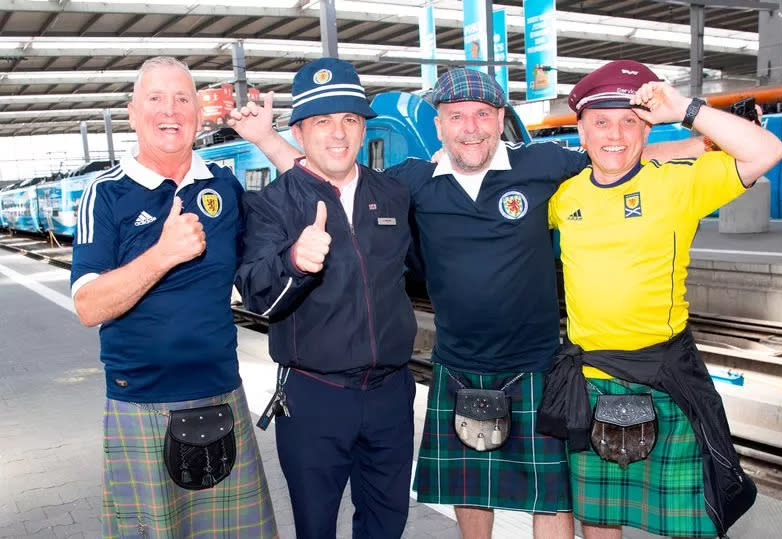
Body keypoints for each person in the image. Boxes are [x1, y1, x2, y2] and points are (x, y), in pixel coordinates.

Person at [228, 66, 700, 539]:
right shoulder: (410, 180)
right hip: (454, 365)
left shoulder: (539, 165)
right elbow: (328, 170)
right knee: (464, 495)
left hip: (536, 364)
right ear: (438, 125)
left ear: (499, 119)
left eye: (481, 115)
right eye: (456, 116)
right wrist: (267, 142)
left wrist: (694, 140)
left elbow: (612, 159)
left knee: (546, 495)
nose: (469, 128)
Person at [538, 60, 782, 539]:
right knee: (599, 519)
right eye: (601, 122)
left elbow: (767, 149)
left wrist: (685, 109)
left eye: (630, 121)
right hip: (590, 380)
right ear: (581, 134)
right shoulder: (562, 197)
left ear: (646, 130)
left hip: (665, 375)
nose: (615, 134)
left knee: (688, 524)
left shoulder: (678, 183)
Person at [70, 56, 277, 538]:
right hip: (139, 405)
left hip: (221, 392)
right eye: (156, 98)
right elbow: (87, 306)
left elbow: (269, 255)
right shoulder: (104, 194)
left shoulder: (223, 185)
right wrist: (162, 255)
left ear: (199, 114)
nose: (171, 110)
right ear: (132, 112)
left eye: (183, 98)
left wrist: (267, 140)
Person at [233, 57, 418, 539]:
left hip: (390, 396)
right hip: (314, 399)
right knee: (315, 527)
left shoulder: (394, 194)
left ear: (362, 129)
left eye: (350, 120)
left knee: (386, 523)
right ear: (298, 131)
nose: (338, 134)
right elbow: (257, 297)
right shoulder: (271, 204)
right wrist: (294, 262)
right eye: (322, 122)